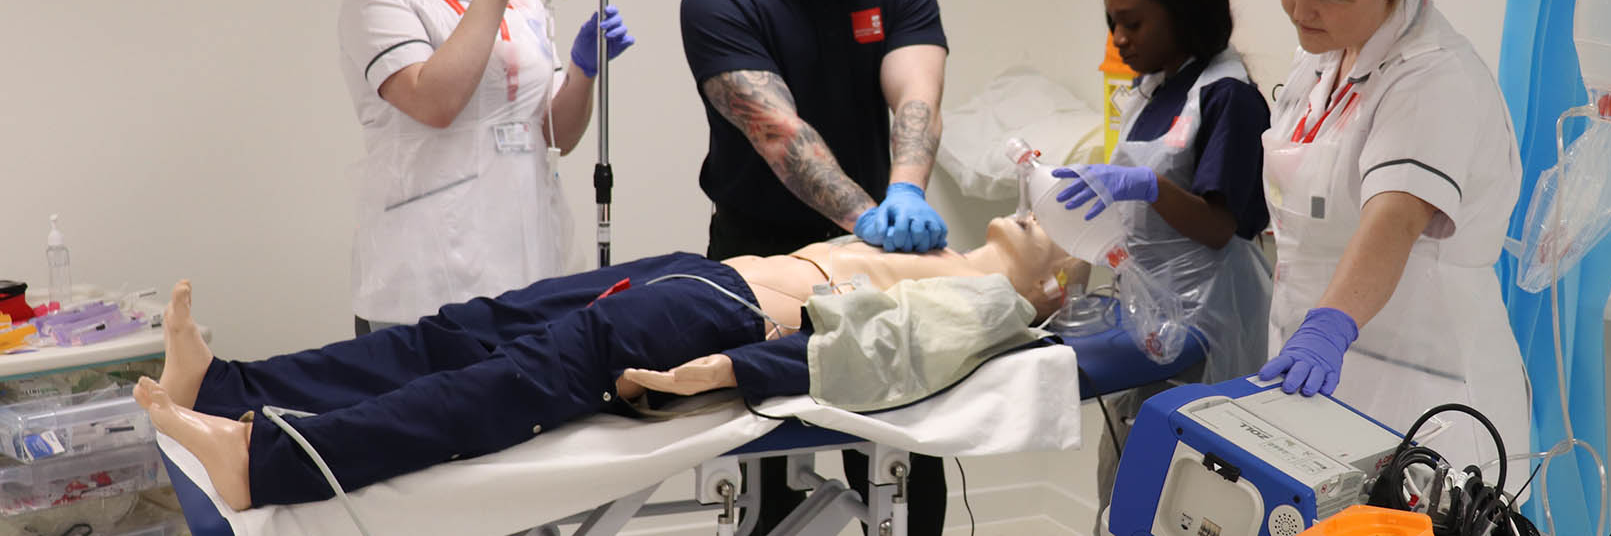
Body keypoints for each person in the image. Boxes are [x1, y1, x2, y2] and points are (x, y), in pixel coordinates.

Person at [139, 216, 1083, 512]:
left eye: (1057, 251)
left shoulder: (990, 302)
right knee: (462, 332)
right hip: (696, 275)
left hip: (723, 313)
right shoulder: (947, 248)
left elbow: (874, 355)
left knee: (502, 388)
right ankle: (227, 388)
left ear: (1050, 297)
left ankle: (268, 460)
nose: (1041, 225)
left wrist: (722, 375)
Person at [678, 0, 949, 530]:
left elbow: (916, 98)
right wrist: (865, 216)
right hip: (761, 247)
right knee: (770, 466)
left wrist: (907, 192)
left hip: (874, 251)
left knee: (904, 457)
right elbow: (779, 133)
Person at [1253, 0, 1530, 472]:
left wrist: (1328, 327)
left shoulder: (1434, 76)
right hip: (1325, 378)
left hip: (1430, 398)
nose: (1302, 11)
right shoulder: (1323, 57)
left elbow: (1395, 220)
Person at [336, 0, 635, 335]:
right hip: (426, 274)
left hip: (527, 257)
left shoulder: (526, 2)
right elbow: (433, 102)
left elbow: (554, 133)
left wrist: (583, 71)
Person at [1050, 0, 1273, 507]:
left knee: (1191, 493)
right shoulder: (1149, 91)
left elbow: (1220, 227)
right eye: (1111, 23)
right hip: (1152, 318)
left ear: (1183, 15)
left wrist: (1148, 186)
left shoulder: (1228, 96)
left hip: (1212, 322)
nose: (1119, 39)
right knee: (1127, 483)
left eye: (1133, 23)